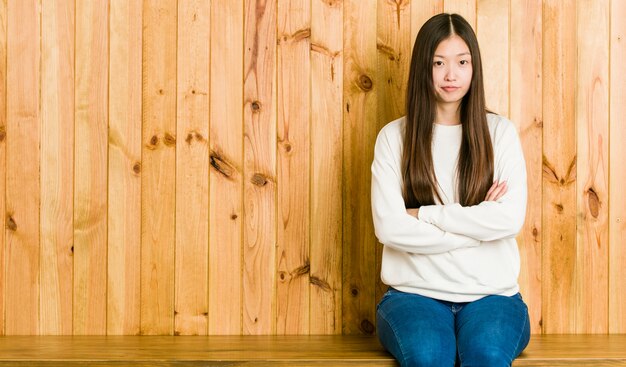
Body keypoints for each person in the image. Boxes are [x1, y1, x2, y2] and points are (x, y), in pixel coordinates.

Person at [371, 13, 530, 367]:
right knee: (429, 356)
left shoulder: (500, 133)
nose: (450, 75)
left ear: (474, 68)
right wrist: (476, 228)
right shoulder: (393, 138)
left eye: (462, 62)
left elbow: (508, 219)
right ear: (422, 69)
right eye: (438, 63)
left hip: (493, 297)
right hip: (413, 295)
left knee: (486, 355)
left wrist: (425, 215)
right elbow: (390, 228)